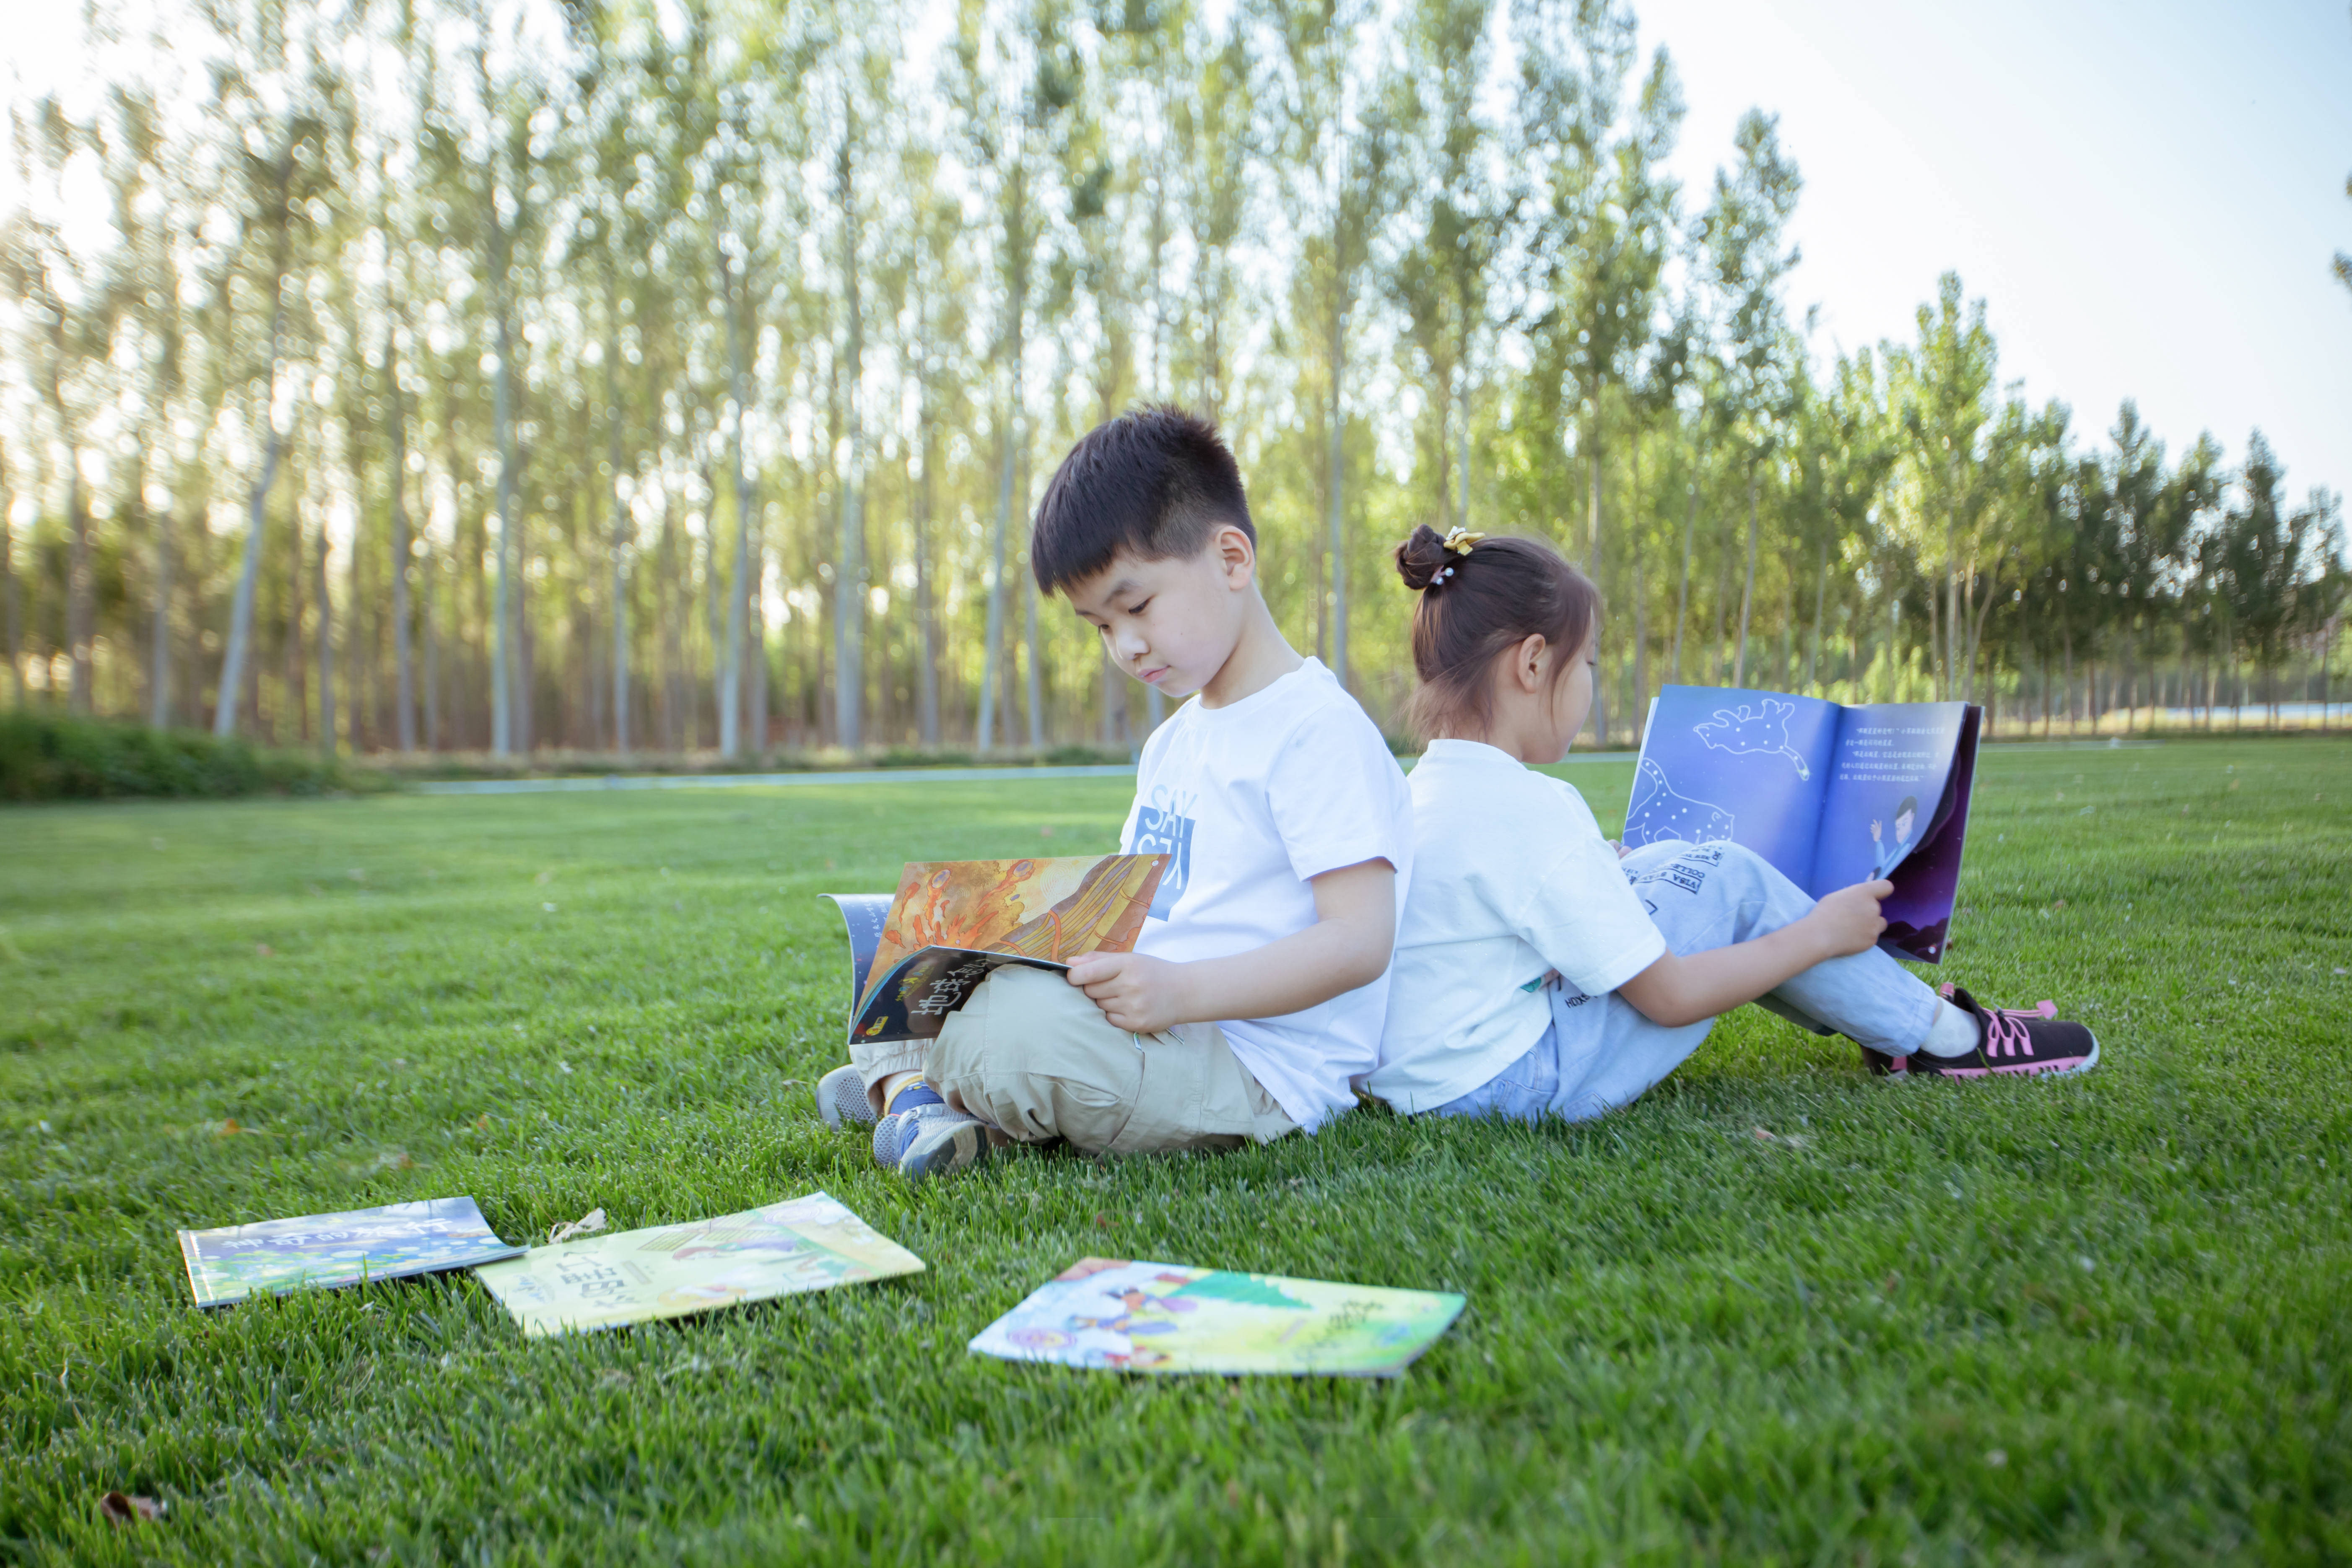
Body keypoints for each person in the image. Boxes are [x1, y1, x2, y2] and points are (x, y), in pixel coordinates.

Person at [814, 407, 1412, 1181]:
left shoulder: (1315, 731)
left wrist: (1181, 991)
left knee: (1012, 1034)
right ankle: (932, 1098)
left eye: (1136, 608)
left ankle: (919, 1091)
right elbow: (1140, 910)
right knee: (910, 943)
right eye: (1099, 626)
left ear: (1232, 558)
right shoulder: (1173, 741)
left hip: (1254, 1065)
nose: (1125, 646)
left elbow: (1358, 942)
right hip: (1145, 1019)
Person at [1367, 524, 2097, 1127]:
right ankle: (1945, 1039)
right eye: (1586, 661)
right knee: (1723, 872)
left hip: (1429, 1079)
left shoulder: (1422, 791)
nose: (1590, 682)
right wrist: (1817, 934)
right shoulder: (1532, 807)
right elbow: (1670, 997)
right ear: (1531, 663)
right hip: (1508, 1084)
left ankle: (1894, 1022)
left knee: (1665, 858)